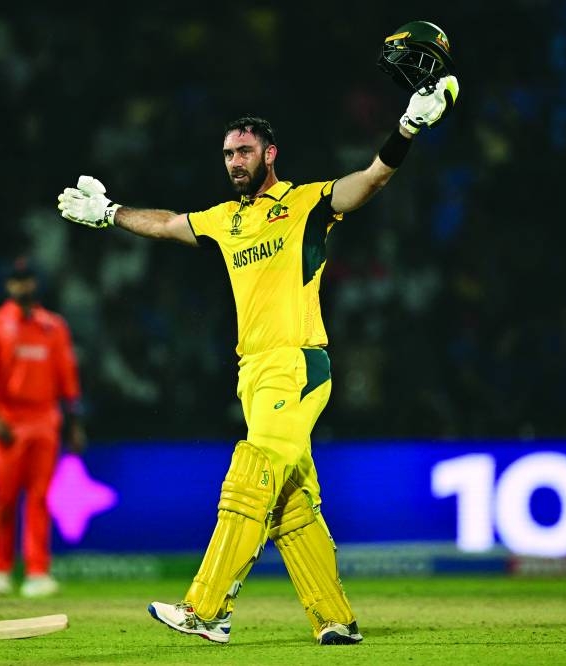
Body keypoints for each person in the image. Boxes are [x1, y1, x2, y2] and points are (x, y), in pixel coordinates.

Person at [56, 27, 459, 644]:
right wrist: (110, 213)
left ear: (270, 154)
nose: (234, 162)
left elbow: (369, 181)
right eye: (227, 154)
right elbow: (166, 224)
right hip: (254, 372)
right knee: (292, 504)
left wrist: (404, 131)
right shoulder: (225, 220)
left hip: (297, 363)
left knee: (251, 471)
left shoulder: (305, 204)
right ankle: (336, 620)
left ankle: (207, 609)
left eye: (244, 151)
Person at [0, 257, 86, 598]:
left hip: (46, 420)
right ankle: (1, 569)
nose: (24, 285)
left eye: (28, 279)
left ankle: (37, 571)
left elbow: (67, 376)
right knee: (6, 499)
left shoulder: (53, 326)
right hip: (8, 419)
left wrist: (74, 423)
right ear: (8, 285)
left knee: (40, 499)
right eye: (17, 279)